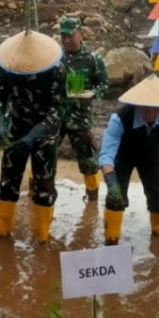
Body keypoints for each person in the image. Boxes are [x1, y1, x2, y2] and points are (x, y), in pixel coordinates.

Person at [0, 30, 66, 242]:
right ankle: (2, 236)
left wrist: (32, 137)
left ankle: (42, 239)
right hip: (17, 127)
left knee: (44, 186)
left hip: (45, 131)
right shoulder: (8, 66)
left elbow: (58, 110)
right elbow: (0, 96)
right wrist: (0, 124)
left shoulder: (56, 69)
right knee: (8, 182)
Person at [98, 74, 159, 245]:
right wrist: (111, 183)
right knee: (115, 197)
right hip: (122, 156)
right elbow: (106, 154)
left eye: (156, 109)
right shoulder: (120, 117)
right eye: (146, 109)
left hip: (151, 155)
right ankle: (111, 240)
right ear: (137, 104)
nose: (151, 114)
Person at [57, 15, 109, 201]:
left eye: (70, 35)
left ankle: (92, 198)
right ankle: (36, 192)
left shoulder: (92, 59)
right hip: (55, 115)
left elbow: (104, 85)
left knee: (88, 159)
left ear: (80, 34)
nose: (67, 40)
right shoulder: (54, 56)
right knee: (44, 154)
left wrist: (94, 94)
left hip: (80, 117)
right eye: (63, 36)